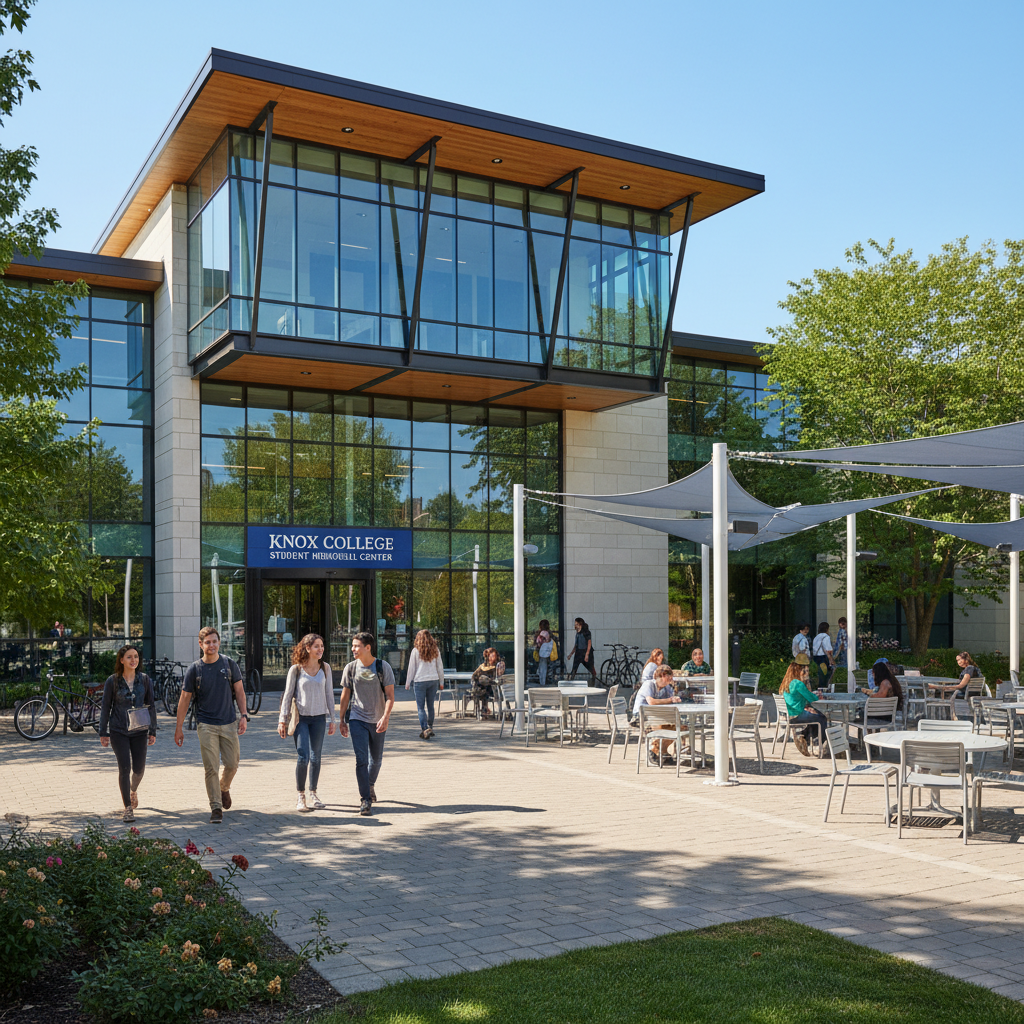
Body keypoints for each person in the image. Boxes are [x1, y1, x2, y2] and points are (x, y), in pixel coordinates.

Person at [175, 626, 247, 824]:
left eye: (214, 641)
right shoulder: (195, 669)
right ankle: (216, 807)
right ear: (201, 644)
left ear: (219, 643)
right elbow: (184, 700)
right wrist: (178, 727)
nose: (211, 645)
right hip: (205, 724)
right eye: (207, 642)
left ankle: (224, 788)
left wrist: (244, 715)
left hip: (229, 722)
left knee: (232, 764)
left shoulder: (229, 664)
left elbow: (239, 692)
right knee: (211, 768)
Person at [337, 631, 396, 817]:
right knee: (361, 760)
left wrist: (385, 717)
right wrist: (341, 720)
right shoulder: (351, 668)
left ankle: (370, 784)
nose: (353, 649)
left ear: (367, 647)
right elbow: (345, 695)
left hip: (378, 720)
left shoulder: (382, 667)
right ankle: (365, 799)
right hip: (357, 719)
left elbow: (390, 697)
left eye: (356, 646)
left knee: (376, 760)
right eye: (353, 646)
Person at [277, 633, 336, 812]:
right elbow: (287, 696)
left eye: (322, 646)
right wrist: (282, 720)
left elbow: (329, 695)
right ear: (307, 648)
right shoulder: (296, 670)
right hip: (301, 718)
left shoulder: (325, 668)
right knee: (304, 757)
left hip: (319, 718)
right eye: (316, 646)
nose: (321, 649)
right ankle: (300, 795)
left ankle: (314, 793)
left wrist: (333, 719)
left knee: (316, 757)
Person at [98, 644, 156, 823]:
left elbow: (151, 705)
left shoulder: (145, 680)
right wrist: (103, 731)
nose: (134, 660)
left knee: (138, 769)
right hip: (118, 730)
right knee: (124, 768)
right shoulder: (112, 681)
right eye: (129, 657)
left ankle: (133, 790)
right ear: (121, 660)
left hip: (139, 730)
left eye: (136, 657)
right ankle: (128, 808)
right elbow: (106, 707)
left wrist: (153, 730)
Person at [634, 663, 683, 759]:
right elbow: (651, 702)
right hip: (641, 717)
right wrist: (670, 700)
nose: (671, 679)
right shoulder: (649, 684)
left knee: (681, 727)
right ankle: (656, 751)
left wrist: (675, 698)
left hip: (657, 716)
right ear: (663, 675)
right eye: (670, 677)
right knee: (668, 728)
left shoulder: (667, 688)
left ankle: (658, 751)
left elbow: (671, 701)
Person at [780, 661, 827, 757]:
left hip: (790, 714)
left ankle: (804, 737)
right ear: (797, 671)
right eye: (803, 670)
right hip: (798, 715)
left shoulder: (786, 683)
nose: (805, 673)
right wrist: (819, 697)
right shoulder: (798, 683)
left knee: (814, 717)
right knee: (822, 718)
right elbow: (812, 698)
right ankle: (819, 744)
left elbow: (800, 698)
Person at [405, 628, 444, 739]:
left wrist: (408, 682)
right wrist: (441, 681)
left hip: (420, 681)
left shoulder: (415, 651)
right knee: (430, 705)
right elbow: (440, 667)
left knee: (420, 707)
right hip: (433, 680)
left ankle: (425, 728)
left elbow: (411, 668)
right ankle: (430, 726)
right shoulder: (435, 650)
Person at [471, 647, 505, 717]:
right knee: (481, 685)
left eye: (494, 656)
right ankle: (484, 709)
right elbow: (474, 675)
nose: (493, 658)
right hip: (480, 687)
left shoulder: (497, 666)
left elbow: (498, 677)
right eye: (491, 656)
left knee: (486, 686)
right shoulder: (482, 666)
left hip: (492, 688)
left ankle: (484, 709)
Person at [570, 617, 596, 683]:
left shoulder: (586, 632)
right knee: (574, 668)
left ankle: (593, 679)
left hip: (585, 652)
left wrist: (587, 654)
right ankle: (570, 680)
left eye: (577, 624)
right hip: (578, 652)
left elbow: (589, 643)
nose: (575, 626)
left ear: (580, 624)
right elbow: (576, 645)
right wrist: (571, 654)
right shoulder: (577, 633)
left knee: (590, 667)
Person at [811, 622, 835, 689]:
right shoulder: (826, 637)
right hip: (823, 658)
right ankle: (823, 691)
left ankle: (819, 689)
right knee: (825, 677)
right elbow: (828, 650)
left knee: (820, 675)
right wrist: (831, 659)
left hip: (816, 658)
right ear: (827, 629)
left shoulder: (816, 637)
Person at [533, 619, 554, 686]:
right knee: (546, 666)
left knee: (542, 666)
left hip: (541, 652)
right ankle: (545, 679)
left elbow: (536, 642)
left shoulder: (538, 633)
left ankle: (542, 681)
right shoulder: (549, 633)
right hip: (549, 652)